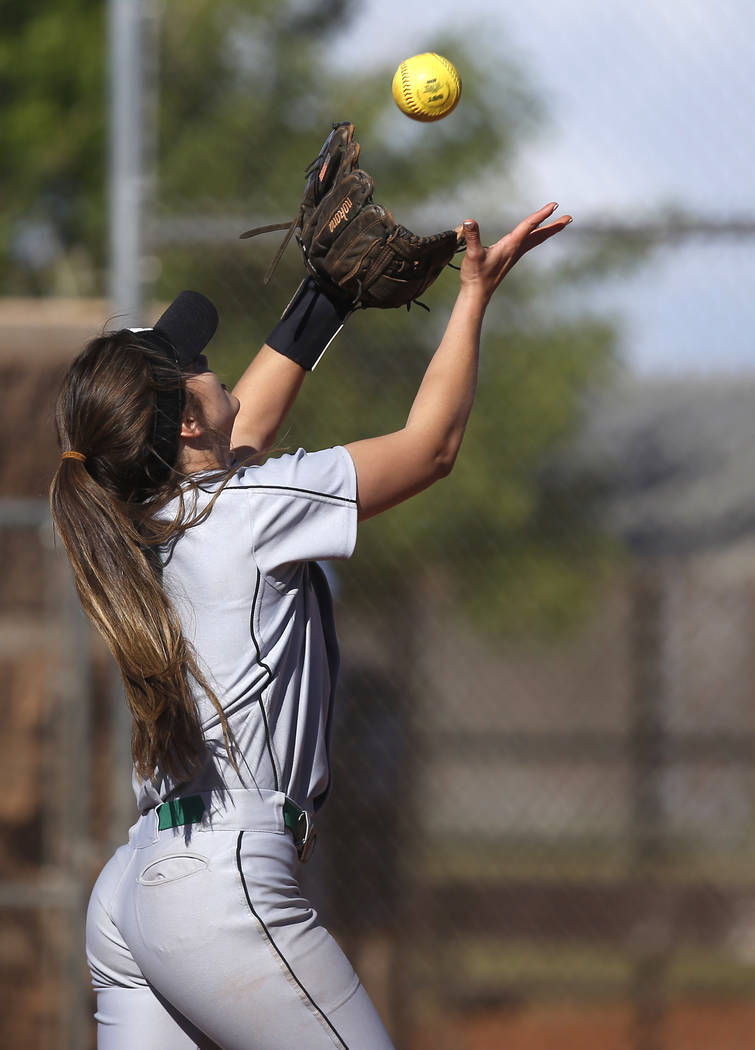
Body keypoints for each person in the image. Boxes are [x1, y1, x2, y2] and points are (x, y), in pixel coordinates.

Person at [50, 204, 571, 1050]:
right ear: (185, 423)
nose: (218, 373)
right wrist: (473, 295)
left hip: (136, 890)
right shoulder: (247, 511)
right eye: (200, 366)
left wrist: (321, 299)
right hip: (222, 888)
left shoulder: (135, 516)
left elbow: (239, 430)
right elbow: (430, 446)